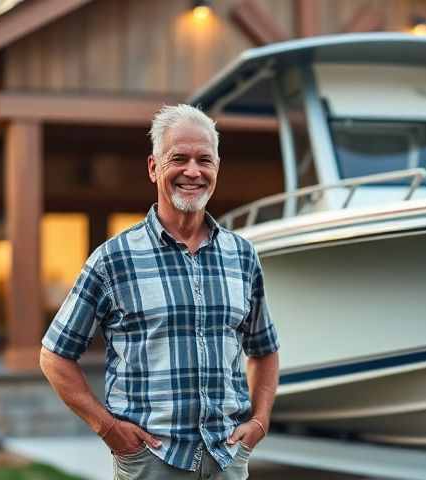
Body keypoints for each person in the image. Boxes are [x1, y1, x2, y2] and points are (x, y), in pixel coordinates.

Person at [39, 104, 280, 480]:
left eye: (205, 160)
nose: (192, 171)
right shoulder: (113, 259)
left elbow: (264, 350)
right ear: (153, 168)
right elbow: (54, 357)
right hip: (152, 462)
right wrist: (109, 430)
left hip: (227, 459)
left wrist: (260, 421)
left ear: (217, 167)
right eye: (178, 158)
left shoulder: (242, 255)